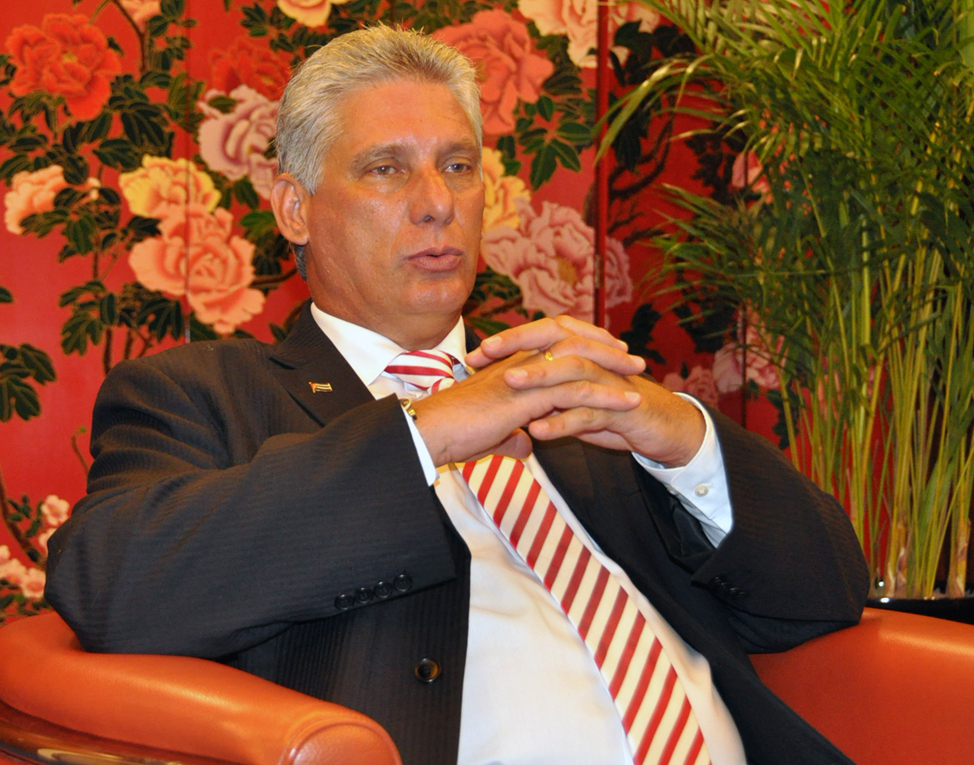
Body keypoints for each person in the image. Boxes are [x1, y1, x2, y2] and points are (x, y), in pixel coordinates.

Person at [46, 25, 869, 765]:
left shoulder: (574, 395)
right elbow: (115, 588)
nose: (437, 204)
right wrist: (423, 433)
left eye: (458, 166)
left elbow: (825, 593)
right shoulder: (203, 395)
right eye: (386, 169)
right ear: (295, 209)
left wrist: (683, 437)